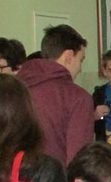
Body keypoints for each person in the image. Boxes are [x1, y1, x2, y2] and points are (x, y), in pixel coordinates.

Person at [16, 24, 94, 166]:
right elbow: (78, 162)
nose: (80, 68)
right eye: (81, 60)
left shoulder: (14, 89)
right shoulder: (78, 98)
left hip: (13, 177)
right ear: (69, 56)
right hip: (56, 178)